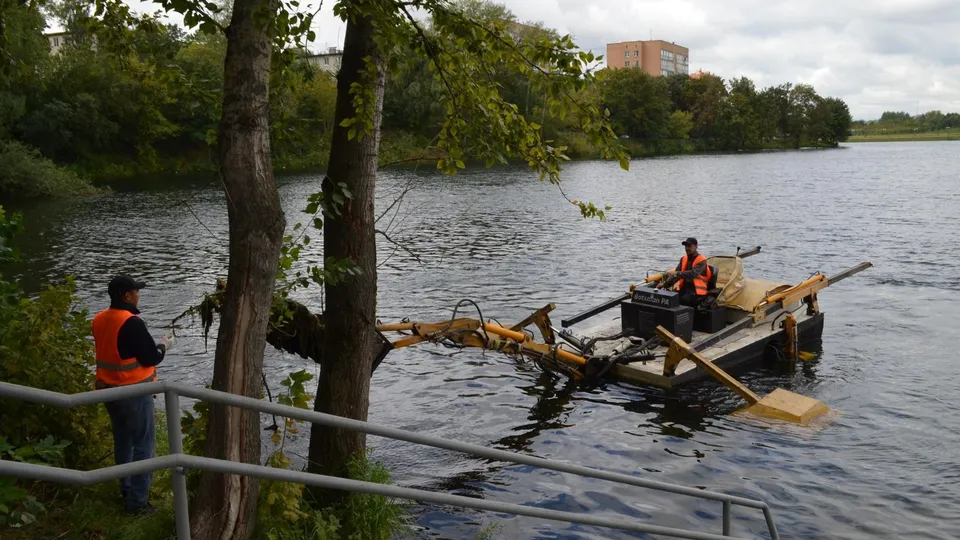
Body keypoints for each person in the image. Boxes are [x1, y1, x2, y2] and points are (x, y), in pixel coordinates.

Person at [91, 275, 172, 515]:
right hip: (133, 392)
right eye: (137, 291)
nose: (139, 294)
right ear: (127, 295)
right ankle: (137, 503)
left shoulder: (99, 319)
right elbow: (151, 357)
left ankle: (126, 488)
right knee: (144, 447)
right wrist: (164, 345)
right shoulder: (132, 322)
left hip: (107, 390)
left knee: (123, 442)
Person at [663, 237, 713, 307]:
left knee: (683, 301)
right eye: (686, 246)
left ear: (696, 247)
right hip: (685, 287)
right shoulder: (683, 259)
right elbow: (676, 275)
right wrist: (665, 285)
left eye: (689, 246)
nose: (687, 248)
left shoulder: (702, 260)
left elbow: (692, 274)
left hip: (697, 291)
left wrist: (677, 273)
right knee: (671, 298)